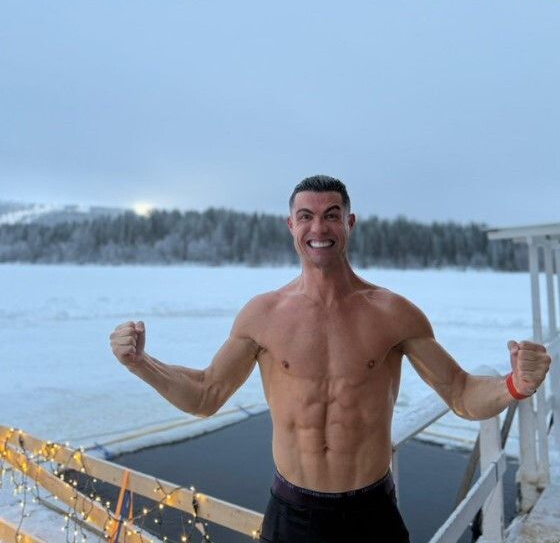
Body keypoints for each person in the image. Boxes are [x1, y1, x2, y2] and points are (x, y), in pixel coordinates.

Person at [110, 175, 552, 542]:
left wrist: (514, 385)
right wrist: (141, 363)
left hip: (371, 513)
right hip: (292, 514)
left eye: (331, 215)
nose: (318, 228)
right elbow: (206, 395)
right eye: (306, 216)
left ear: (349, 223)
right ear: (291, 225)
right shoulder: (263, 315)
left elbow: (460, 392)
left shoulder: (392, 313)